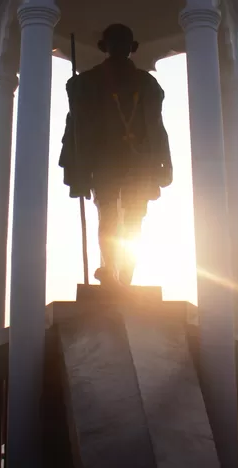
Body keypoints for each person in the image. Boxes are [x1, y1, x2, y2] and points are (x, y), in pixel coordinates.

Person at [60, 23, 173, 285]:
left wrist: (163, 163)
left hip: (138, 163)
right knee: (108, 215)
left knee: (133, 220)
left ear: (131, 48)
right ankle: (110, 270)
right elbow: (75, 124)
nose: (120, 48)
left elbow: (156, 126)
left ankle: (126, 277)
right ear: (105, 47)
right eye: (115, 42)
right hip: (105, 162)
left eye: (124, 43)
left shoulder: (147, 84)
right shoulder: (87, 83)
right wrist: (75, 165)